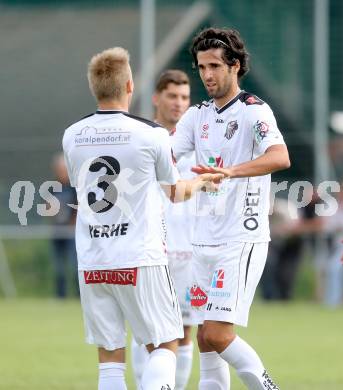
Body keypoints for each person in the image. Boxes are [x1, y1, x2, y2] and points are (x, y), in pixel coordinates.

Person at [62, 47, 223, 390]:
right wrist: (201, 182)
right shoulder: (151, 134)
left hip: (92, 261)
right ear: (130, 86)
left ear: (94, 87)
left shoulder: (72, 135)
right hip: (140, 257)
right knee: (166, 344)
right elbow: (174, 192)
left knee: (109, 358)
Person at [172, 27, 290, 389]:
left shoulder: (255, 111)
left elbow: (280, 157)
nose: (207, 74)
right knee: (205, 339)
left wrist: (232, 171)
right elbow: (166, 157)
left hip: (240, 240)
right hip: (202, 241)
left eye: (214, 66)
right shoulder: (197, 115)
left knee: (219, 335)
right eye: (201, 67)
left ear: (234, 66)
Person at [131, 69, 195, 390]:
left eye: (184, 97)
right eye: (172, 96)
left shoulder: (197, 143)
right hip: (149, 247)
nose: (179, 103)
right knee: (147, 332)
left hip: (189, 252)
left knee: (184, 331)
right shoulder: (144, 139)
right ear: (156, 98)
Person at [50, 153, 78, 298]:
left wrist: (73, 224)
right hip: (57, 232)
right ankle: (60, 296)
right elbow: (47, 208)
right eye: (58, 169)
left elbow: (79, 209)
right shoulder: (52, 187)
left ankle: (79, 296)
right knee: (58, 267)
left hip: (72, 233)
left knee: (76, 266)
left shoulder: (75, 187)